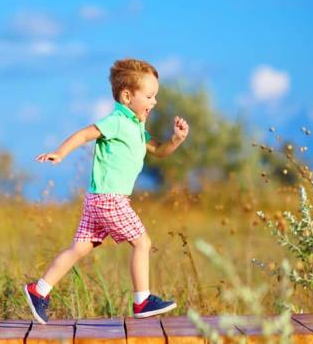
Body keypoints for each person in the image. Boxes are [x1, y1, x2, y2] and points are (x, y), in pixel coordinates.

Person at [24, 58, 190, 323]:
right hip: (109, 199)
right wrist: (60, 152)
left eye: (155, 96)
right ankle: (142, 300)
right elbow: (84, 134)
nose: (154, 102)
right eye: (149, 96)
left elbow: (159, 151)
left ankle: (39, 290)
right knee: (142, 242)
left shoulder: (137, 127)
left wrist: (176, 140)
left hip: (98, 199)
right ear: (127, 96)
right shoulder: (117, 121)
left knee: (79, 248)